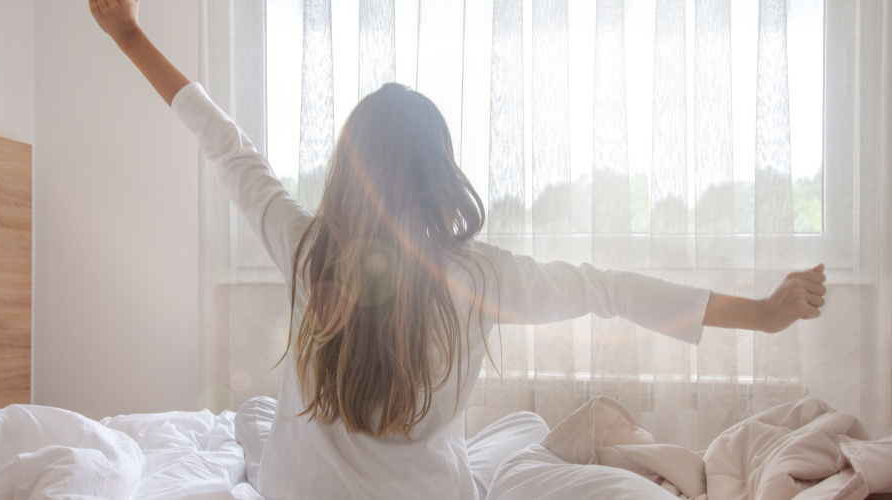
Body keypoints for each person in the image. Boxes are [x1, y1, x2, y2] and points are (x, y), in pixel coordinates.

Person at [90, 1, 828, 499]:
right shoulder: (479, 278)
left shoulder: (307, 249)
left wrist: (127, 36)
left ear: (350, 175)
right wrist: (761, 316)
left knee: (265, 424)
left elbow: (229, 149)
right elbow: (610, 290)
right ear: (439, 177)